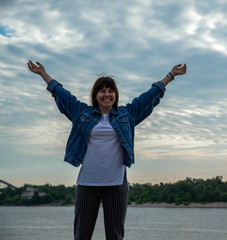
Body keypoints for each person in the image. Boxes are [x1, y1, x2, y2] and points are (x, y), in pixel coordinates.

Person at [27, 60, 187, 240]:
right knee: (81, 235)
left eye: (111, 91)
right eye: (102, 91)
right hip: (87, 184)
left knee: (115, 236)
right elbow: (61, 94)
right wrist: (43, 74)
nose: (107, 94)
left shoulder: (127, 114)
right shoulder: (82, 113)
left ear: (115, 95)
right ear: (95, 95)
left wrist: (171, 75)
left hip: (116, 185)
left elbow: (150, 96)